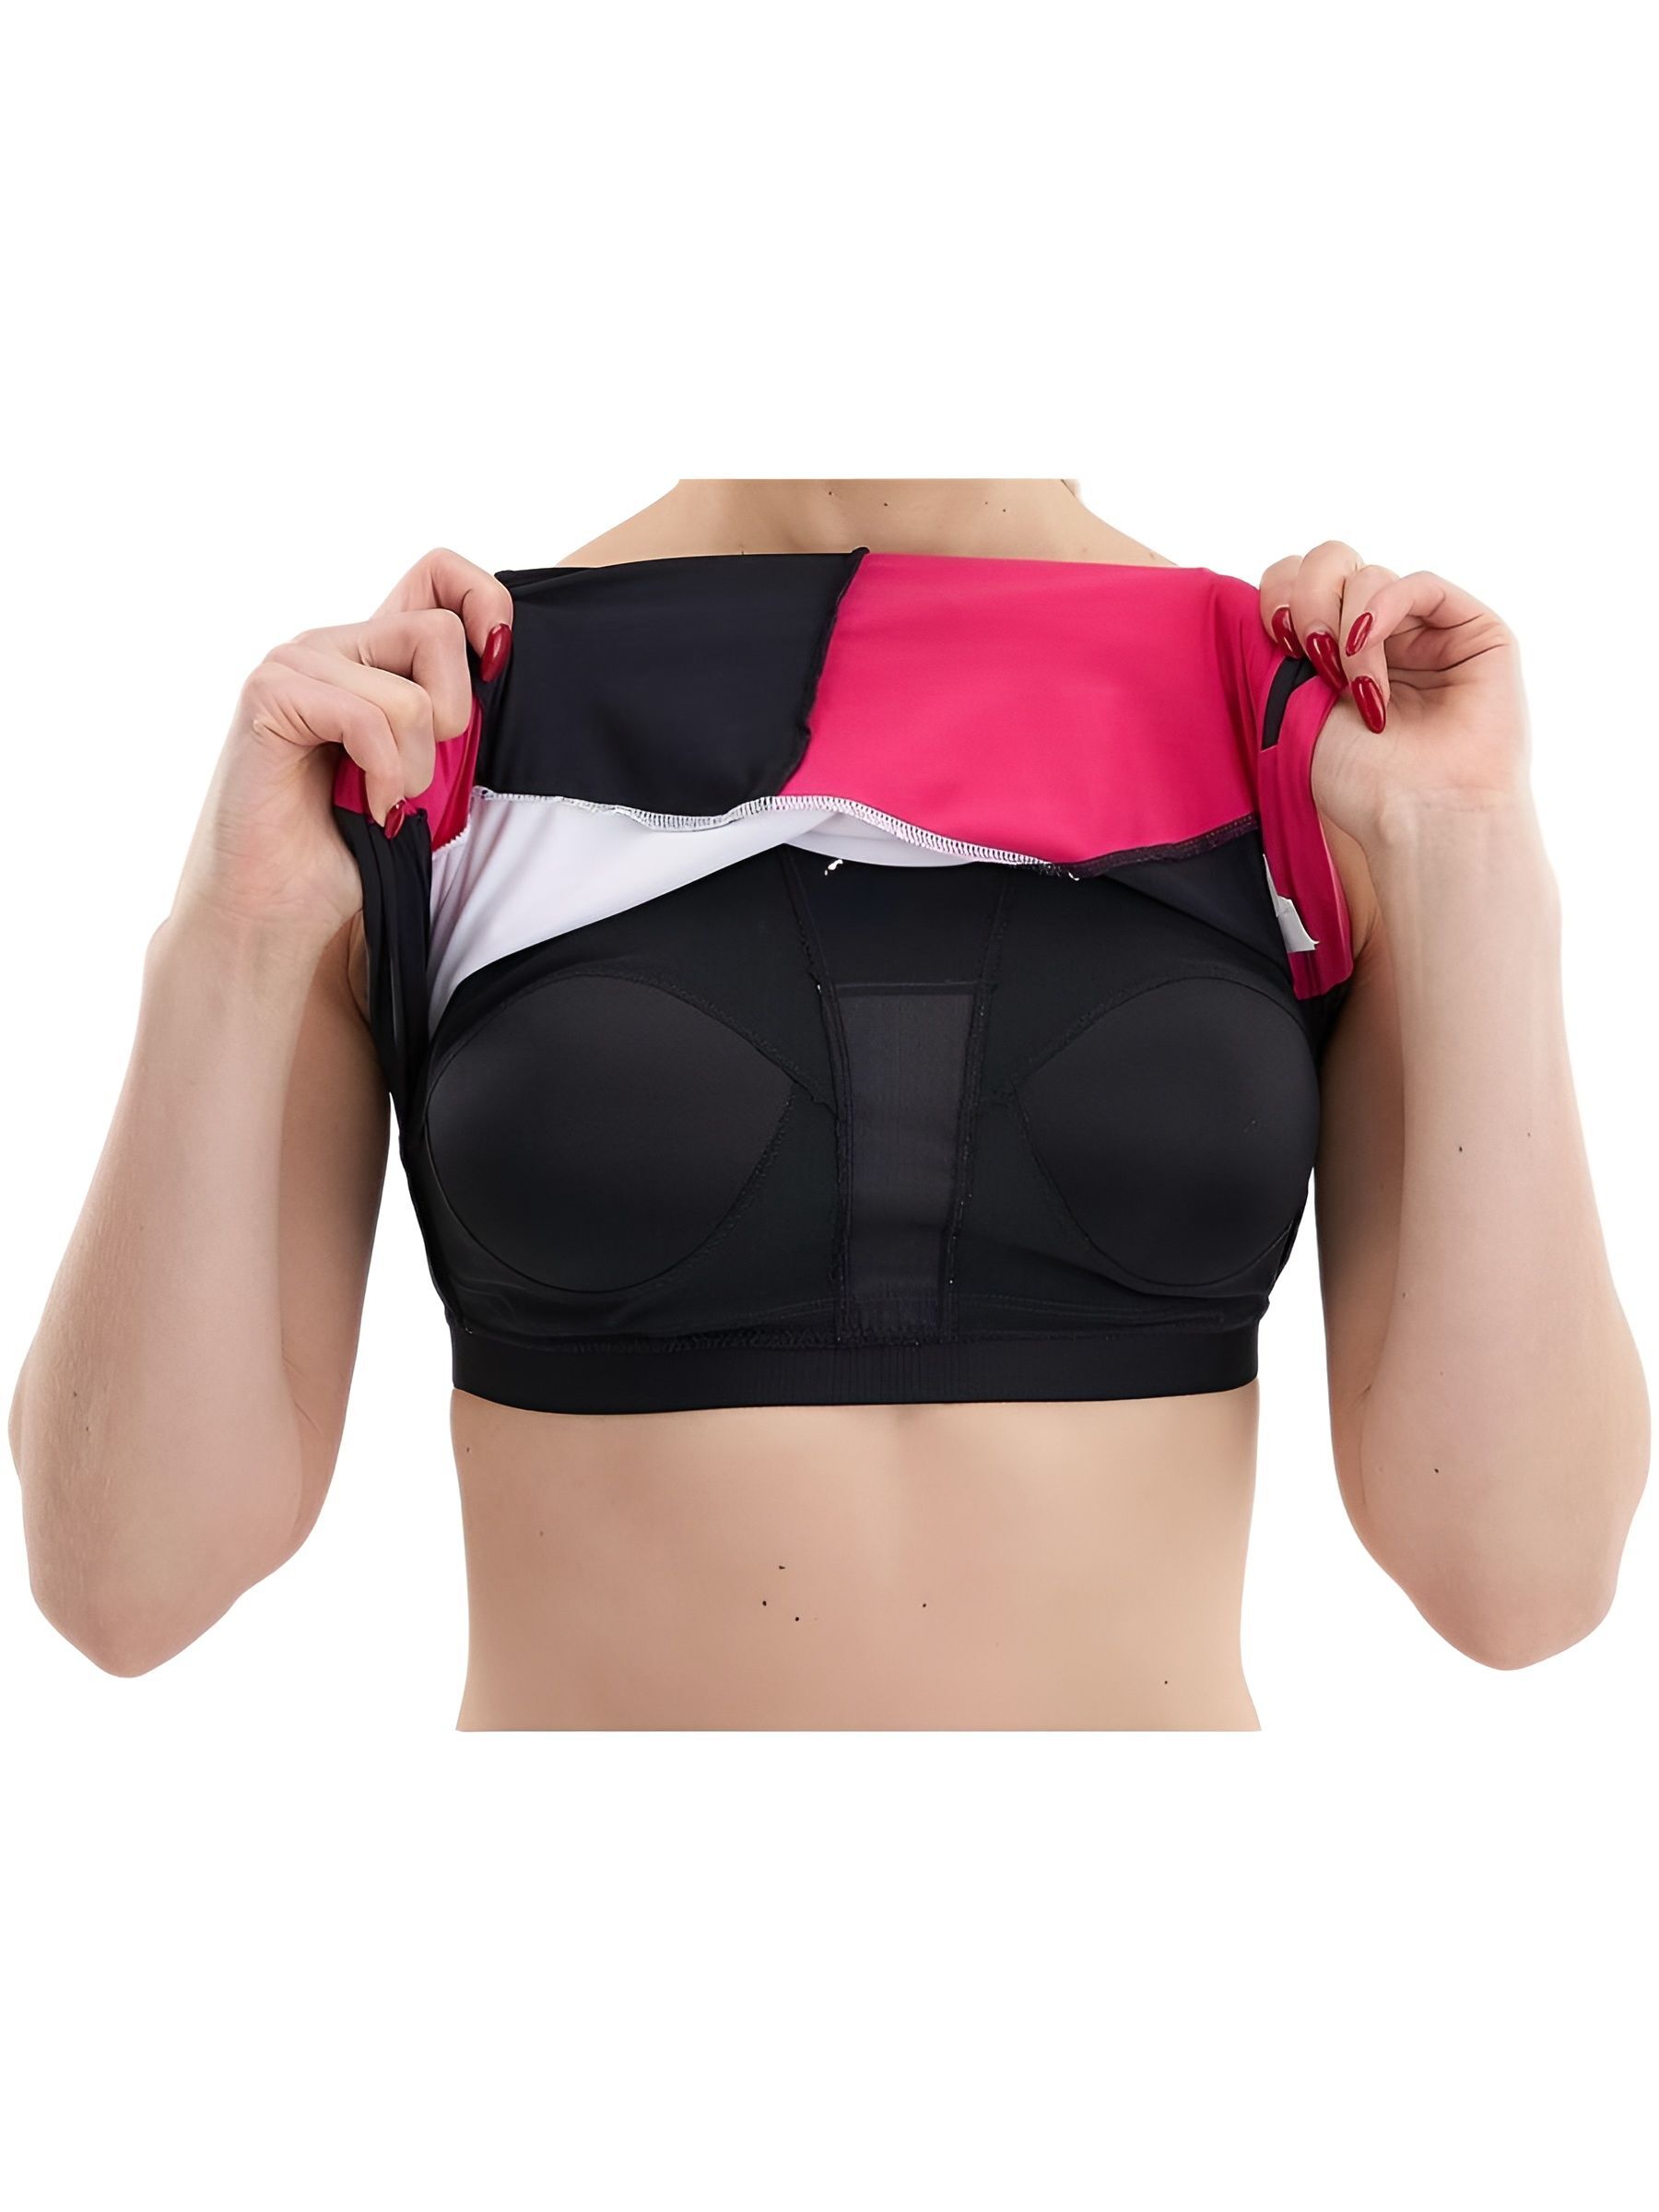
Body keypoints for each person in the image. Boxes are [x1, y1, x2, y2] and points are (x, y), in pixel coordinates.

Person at [7, 479, 1649, 1729]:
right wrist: (236, 930)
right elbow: (125, 1585)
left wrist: (1467, 848)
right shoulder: (448, 720)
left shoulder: (1288, 719)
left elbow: (1517, 1579)